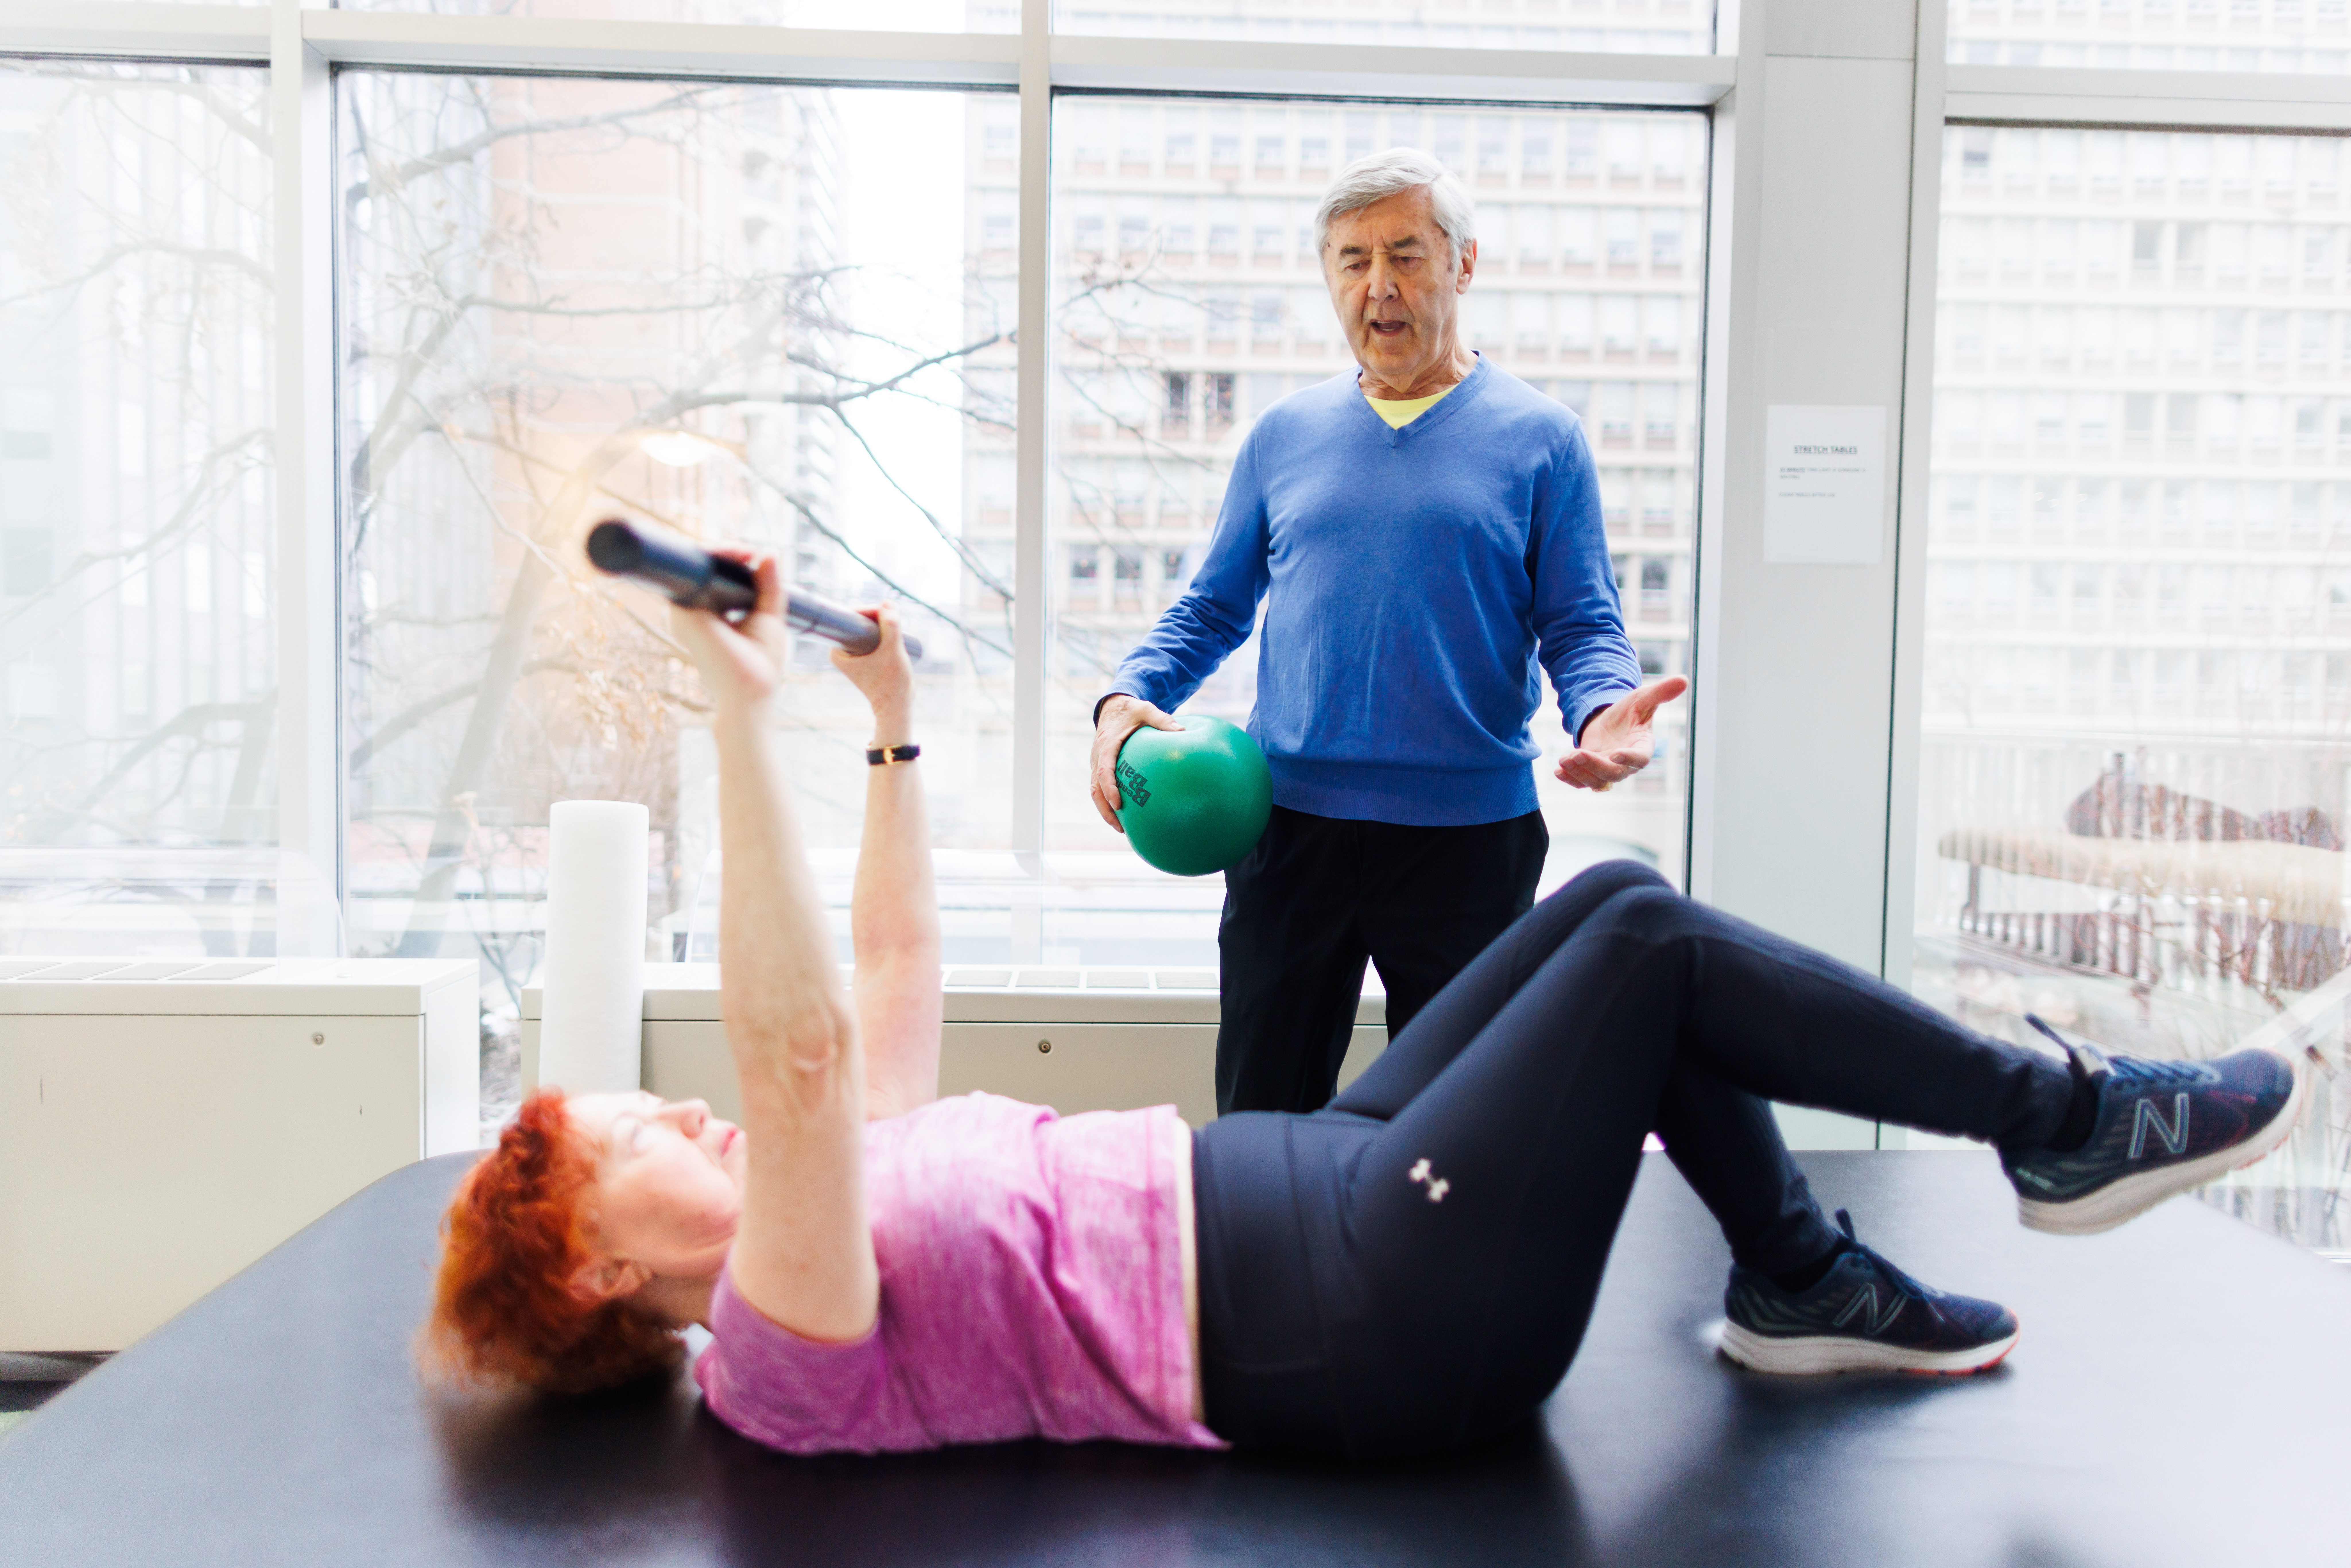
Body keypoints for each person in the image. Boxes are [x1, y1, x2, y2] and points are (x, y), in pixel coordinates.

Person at [426, 556, 2303, 1459]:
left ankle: (1794, 1276)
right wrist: (740, 722)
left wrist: (892, 713)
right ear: (600, 1271)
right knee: (1643, 969)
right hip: (1361, 1315)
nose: (698, 1117)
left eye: (661, 1102)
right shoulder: (774, 1339)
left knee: (1618, 906)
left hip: (1314, 1172)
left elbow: (888, 979)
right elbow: (801, 1044)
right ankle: (2064, 1123)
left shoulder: (816, 1204)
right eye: (642, 1140)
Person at [1088, 146, 1686, 1117]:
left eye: (1406, 255)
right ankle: (1266, 1276)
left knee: (1460, 1129)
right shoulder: (1283, 436)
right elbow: (1211, 607)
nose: (1379, 287)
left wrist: (1605, 714)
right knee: (1260, 1119)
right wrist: (1125, 699)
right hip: (1289, 832)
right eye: (1352, 261)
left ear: (1464, 264)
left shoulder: (1544, 439)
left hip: (1469, 844)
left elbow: (1580, 621)